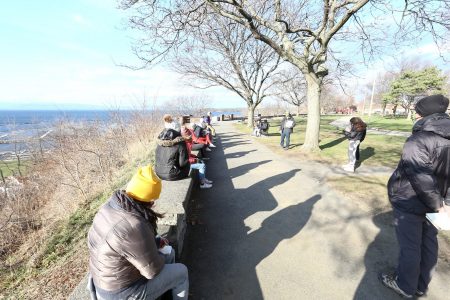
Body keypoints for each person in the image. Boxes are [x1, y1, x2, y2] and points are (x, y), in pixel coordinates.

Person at [379, 94, 450, 298]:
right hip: (437, 203)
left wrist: (438, 203)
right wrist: (445, 203)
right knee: (428, 242)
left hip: (410, 199)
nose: (415, 115)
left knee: (411, 246)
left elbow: (420, 177)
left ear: (424, 114)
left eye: (417, 112)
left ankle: (406, 286)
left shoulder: (418, 139)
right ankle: (420, 285)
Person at [87, 166, 189, 299]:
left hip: (105, 281)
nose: (154, 203)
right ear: (148, 200)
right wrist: (159, 255)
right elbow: (152, 271)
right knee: (181, 272)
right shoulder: (135, 224)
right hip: (121, 292)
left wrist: (156, 243)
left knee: (169, 253)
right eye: (153, 200)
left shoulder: (111, 206)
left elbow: (127, 245)